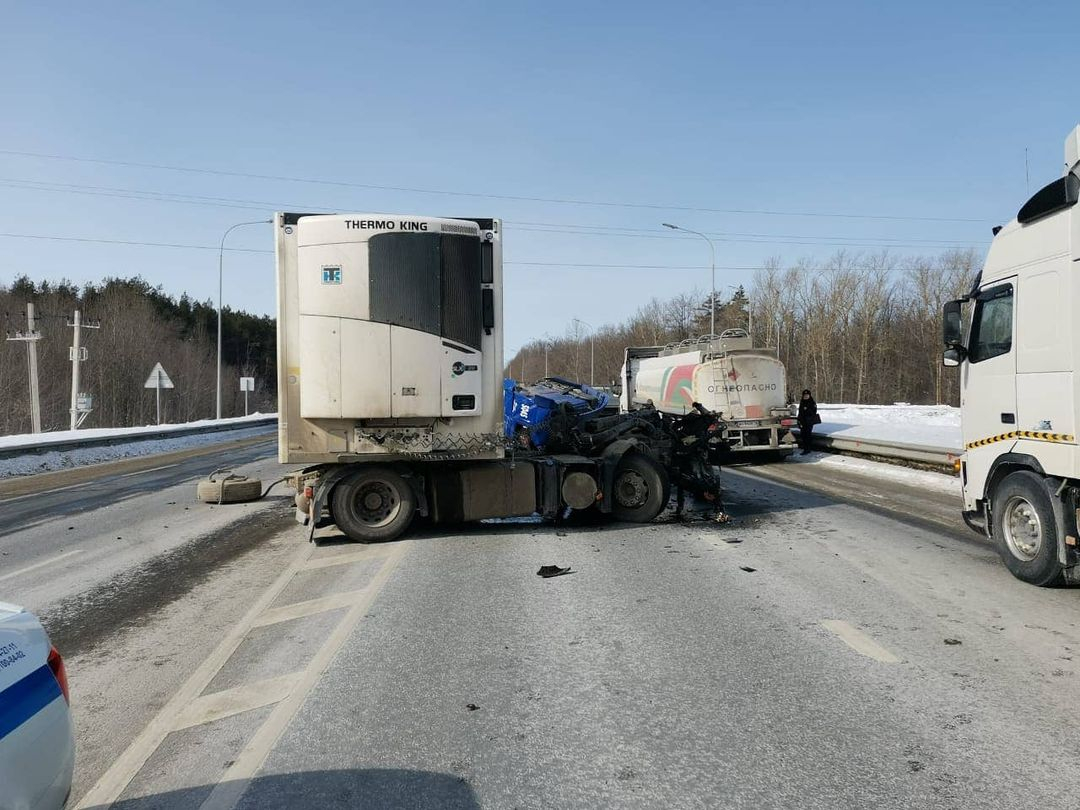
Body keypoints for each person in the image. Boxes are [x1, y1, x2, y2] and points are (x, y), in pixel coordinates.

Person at [797, 389, 818, 455]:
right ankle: (805, 448)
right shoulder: (802, 402)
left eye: (807, 395)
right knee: (803, 435)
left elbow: (814, 412)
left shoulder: (812, 402)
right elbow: (800, 412)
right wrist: (799, 419)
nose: (806, 397)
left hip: (809, 422)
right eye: (804, 395)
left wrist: (807, 409)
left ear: (809, 395)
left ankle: (807, 449)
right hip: (802, 421)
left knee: (807, 435)